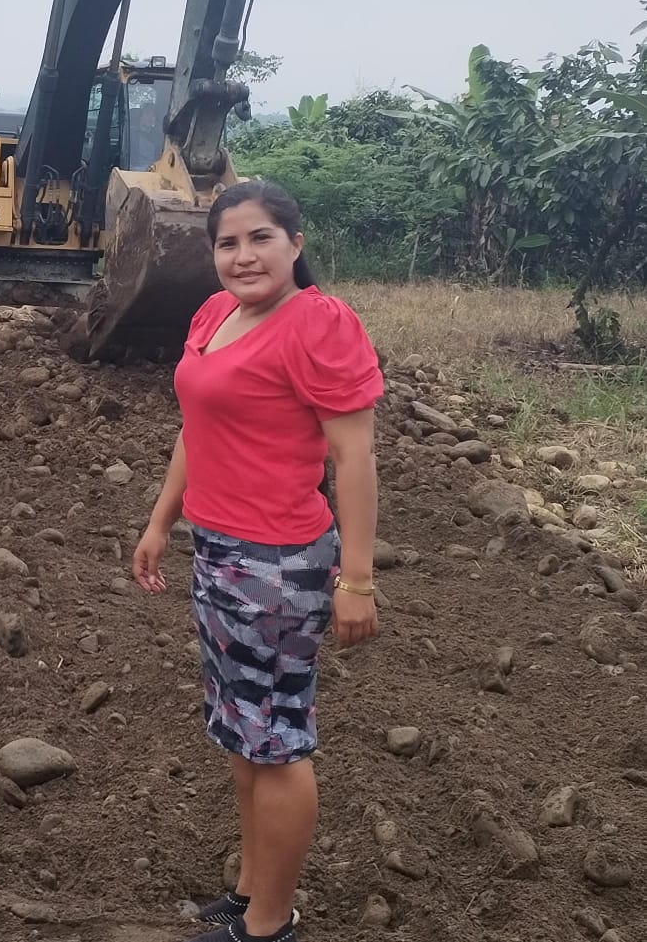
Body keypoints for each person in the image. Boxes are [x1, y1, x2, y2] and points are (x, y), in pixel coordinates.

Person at [132, 180, 383, 942]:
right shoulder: (214, 314)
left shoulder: (318, 324)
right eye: (227, 242)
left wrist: (357, 579)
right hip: (217, 551)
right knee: (244, 734)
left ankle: (269, 924)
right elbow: (195, 427)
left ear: (294, 244)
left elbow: (353, 457)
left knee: (273, 743)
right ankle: (248, 890)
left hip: (276, 566)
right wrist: (161, 520)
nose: (243, 255)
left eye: (260, 238)